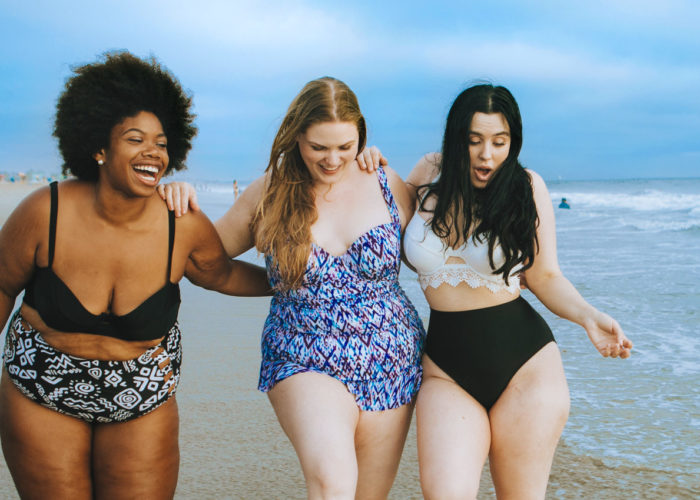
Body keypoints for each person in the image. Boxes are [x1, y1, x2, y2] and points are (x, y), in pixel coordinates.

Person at [0, 51, 269, 499]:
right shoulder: (44, 212)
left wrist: (291, 281)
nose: (153, 152)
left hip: (142, 394)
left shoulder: (180, 226)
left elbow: (220, 275)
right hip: (41, 387)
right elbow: (3, 286)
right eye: (135, 138)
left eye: (162, 143)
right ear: (99, 147)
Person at [161, 77, 425, 499]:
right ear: (296, 135)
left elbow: (435, 249)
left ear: (361, 136)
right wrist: (177, 203)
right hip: (303, 352)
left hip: (392, 355)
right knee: (333, 482)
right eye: (319, 146)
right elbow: (204, 259)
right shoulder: (269, 192)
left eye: (345, 145)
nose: (333, 159)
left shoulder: (384, 180)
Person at [401, 84, 632, 498]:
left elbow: (544, 276)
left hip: (524, 367)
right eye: (473, 141)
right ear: (456, 139)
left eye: (499, 142)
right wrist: (365, 162)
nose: (486, 155)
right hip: (445, 370)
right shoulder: (426, 177)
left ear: (513, 141)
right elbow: (381, 223)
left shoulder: (526, 187)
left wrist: (587, 316)